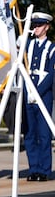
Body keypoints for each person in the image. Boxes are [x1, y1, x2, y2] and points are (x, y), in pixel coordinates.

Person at [24, 12, 55, 182]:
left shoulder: (52, 48)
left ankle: (44, 170)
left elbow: (51, 74)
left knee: (43, 134)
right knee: (30, 134)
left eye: (39, 25)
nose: (36, 28)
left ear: (47, 27)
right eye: (34, 25)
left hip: (43, 95)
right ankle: (33, 168)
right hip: (28, 94)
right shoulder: (27, 46)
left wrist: (38, 92)